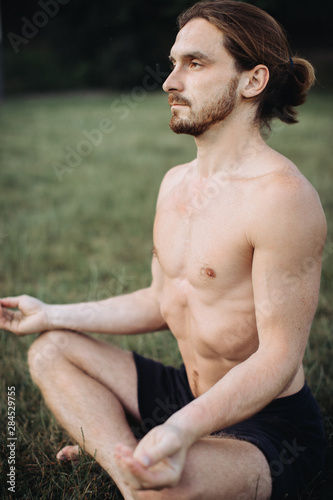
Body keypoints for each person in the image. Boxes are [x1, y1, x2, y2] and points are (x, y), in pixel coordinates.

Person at [0, 1, 327, 499]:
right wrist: (51, 313)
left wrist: (180, 430)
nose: (169, 82)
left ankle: (141, 466)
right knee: (51, 349)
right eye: (173, 64)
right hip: (187, 395)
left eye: (194, 64)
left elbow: (280, 358)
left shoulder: (283, 199)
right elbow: (162, 300)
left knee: (165, 489)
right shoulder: (174, 183)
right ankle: (129, 462)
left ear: (252, 81)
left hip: (268, 426)